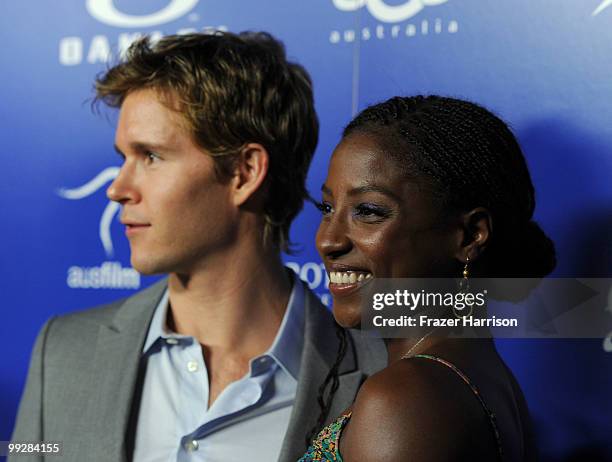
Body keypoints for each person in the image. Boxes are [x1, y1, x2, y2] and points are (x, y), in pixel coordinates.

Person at [10, 32, 385, 462]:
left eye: (150, 156)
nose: (117, 188)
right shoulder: (62, 353)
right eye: (123, 158)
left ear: (244, 173)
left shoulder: (380, 375)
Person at [300, 95, 556, 461]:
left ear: (468, 236)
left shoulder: (406, 398)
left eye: (368, 211)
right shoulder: (476, 377)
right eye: (328, 208)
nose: (328, 240)